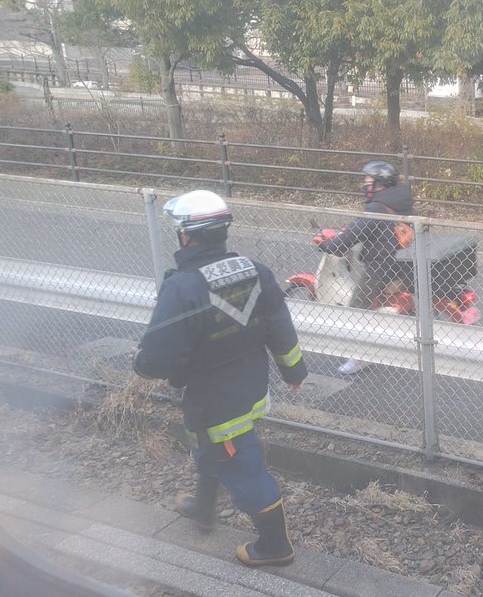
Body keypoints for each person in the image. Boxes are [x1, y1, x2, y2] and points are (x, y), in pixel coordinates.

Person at [132, 190, 308, 568]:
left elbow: (159, 356)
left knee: (240, 463)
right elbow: (280, 327)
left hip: (214, 401)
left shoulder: (183, 286)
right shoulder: (255, 270)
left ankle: (276, 545)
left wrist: (141, 364)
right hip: (250, 385)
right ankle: (204, 509)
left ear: (185, 235)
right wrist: (294, 371)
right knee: (211, 451)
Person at [315, 161, 414, 374]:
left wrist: (326, 244)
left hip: (380, 268)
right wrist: (347, 231)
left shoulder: (376, 208)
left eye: (368, 180)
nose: (365, 183)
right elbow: (365, 229)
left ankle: (360, 358)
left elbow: (347, 240)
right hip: (400, 262)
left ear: (379, 183)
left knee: (357, 311)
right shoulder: (398, 202)